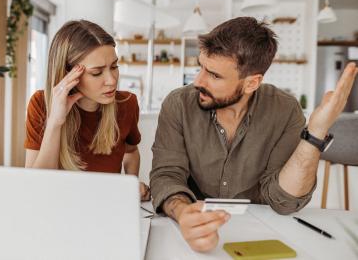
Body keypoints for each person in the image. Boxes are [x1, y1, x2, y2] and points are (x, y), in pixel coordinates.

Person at [150, 17, 358, 252]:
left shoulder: (285, 110)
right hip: (190, 227)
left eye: (214, 75)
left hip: (261, 232)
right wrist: (182, 212)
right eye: (201, 67)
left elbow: (285, 201)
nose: (198, 81)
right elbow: (166, 175)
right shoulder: (179, 104)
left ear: (251, 83)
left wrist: (316, 132)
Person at [25, 19, 150, 201]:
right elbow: (36, 187)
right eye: (97, 72)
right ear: (68, 74)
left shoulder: (127, 103)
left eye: (114, 67)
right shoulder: (41, 104)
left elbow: (130, 152)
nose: (112, 80)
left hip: (106, 210)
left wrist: (131, 186)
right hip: (57, 210)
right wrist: (55, 122)